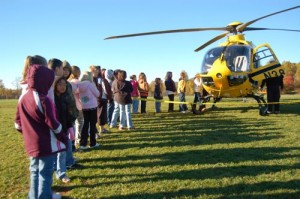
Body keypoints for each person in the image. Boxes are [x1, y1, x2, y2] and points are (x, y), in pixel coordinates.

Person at [15, 64, 66, 199]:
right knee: (45, 172)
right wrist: (62, 135)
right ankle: (45, 196)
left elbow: (17, 124)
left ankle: (33, 196)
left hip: (31, 144)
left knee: (34, 171)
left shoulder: (23, 98)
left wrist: (29, 134)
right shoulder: (44, 100)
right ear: (45, 81)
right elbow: (53, 124)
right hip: (45, 144)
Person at [54, 77, 76, 183]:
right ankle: (60, 172)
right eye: (60, 84)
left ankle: (61, 172)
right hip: (55, 129)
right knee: (58, 152)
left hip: (64, 128)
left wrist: (69, 126)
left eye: (64, 84)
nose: (62, 87)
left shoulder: (64, 97)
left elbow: (67, 114)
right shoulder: (52, 98)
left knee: (63, 151)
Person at [77, 71, 100, 149]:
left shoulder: (79, 85)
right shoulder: (90, 84)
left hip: (84, 107)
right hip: (92, 107)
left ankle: (82, 143)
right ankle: (92, 143)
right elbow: (97, 94)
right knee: (92, 125)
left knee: (85, 124)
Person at [68, 66, 84, 146]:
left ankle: (72, 140)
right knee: (80, 122)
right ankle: (78, 139)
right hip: (79, 105)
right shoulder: (79, 82)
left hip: (70, 105)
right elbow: (83, 95)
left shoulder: (68, 82)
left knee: (72, 124)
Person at [97, 68, 112, 133]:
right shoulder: (101, 80)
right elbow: (105, 89)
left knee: (101, 114)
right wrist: (109, 96)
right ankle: (101, 129)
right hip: (101, 99)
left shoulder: (99, 79)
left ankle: (102, 128)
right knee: (101, 114)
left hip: (101, 98)